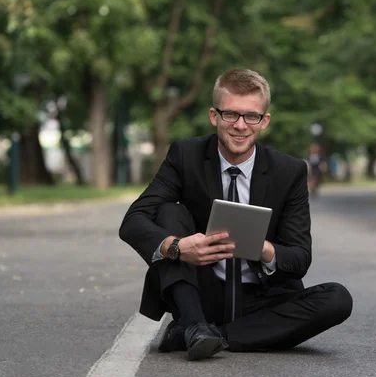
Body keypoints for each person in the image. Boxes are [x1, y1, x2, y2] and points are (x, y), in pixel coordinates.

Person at [119, 68, 353, 361]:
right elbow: (133, 221)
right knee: (169, 212)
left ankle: (206, 335)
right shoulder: (185, 156)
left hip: (261, 297)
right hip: (200, 293)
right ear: (214, 116)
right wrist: (178, 248)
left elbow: (299, 258)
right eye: (231, 114)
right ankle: (196, 324)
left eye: (251, 116)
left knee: (338, 299)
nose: (241, 125)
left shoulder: (289, 171)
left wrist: (264, 249)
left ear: (264, 121)